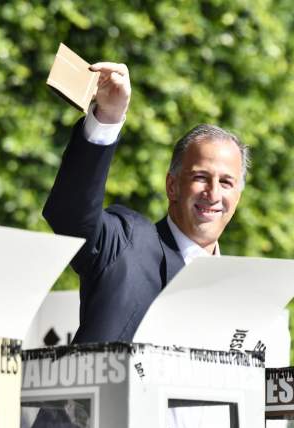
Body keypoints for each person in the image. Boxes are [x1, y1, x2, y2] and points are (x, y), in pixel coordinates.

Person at [43, 61, 250, 343]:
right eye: (200, 177)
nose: (213, 193)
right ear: (173, 186)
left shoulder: (244, 294)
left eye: (226, 182)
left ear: (238, 195)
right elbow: (70, 215)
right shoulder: (125, 244)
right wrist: (107, 118)